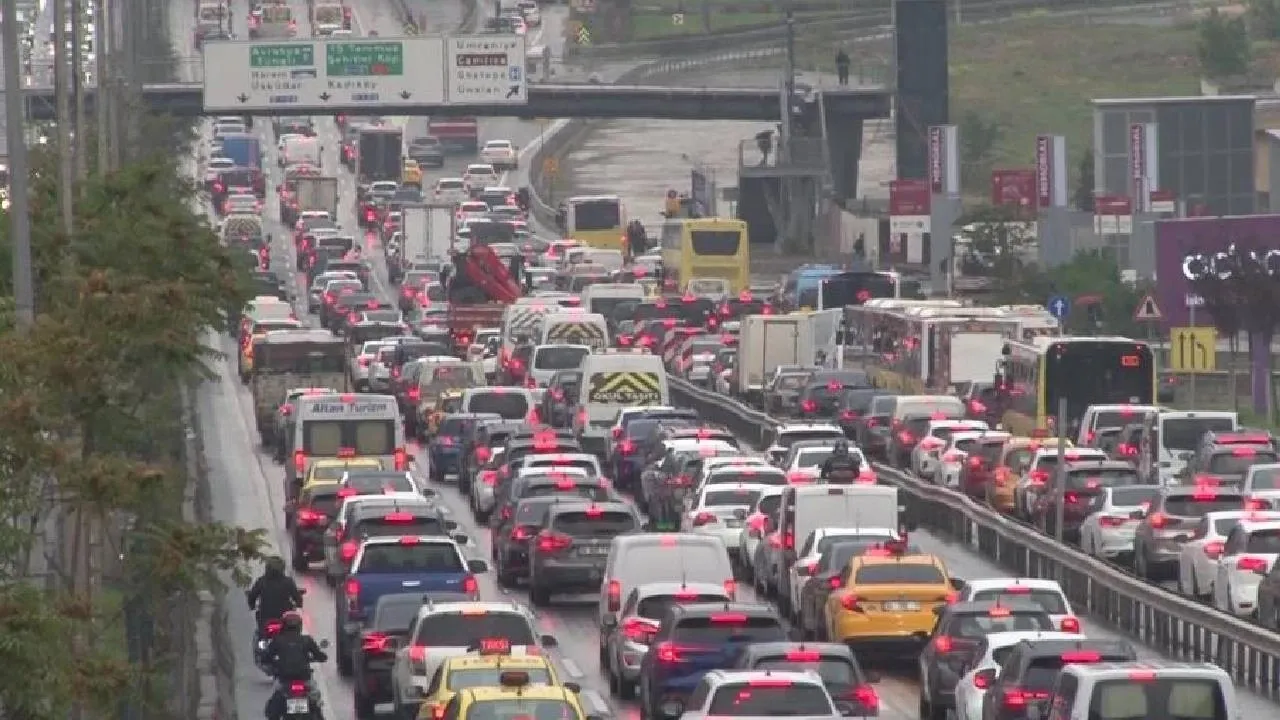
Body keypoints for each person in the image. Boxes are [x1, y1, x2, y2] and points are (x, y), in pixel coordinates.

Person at [263, 611, 328, 720]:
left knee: (274, 709)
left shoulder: (278, 640)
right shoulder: (306, 640)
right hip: (303, 679)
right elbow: (321, 656)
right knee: (317, 706)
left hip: (285, 680)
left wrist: (275, 663)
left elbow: (266, 657)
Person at [247, 557, 304, 631]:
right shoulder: (288, 582)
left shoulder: (261, 581)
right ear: (282, 568)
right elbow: (297, 597)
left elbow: (252, 596)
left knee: (259, 633)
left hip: (265, 617)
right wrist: (299, 603)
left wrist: (252, 606)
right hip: (284, 619)